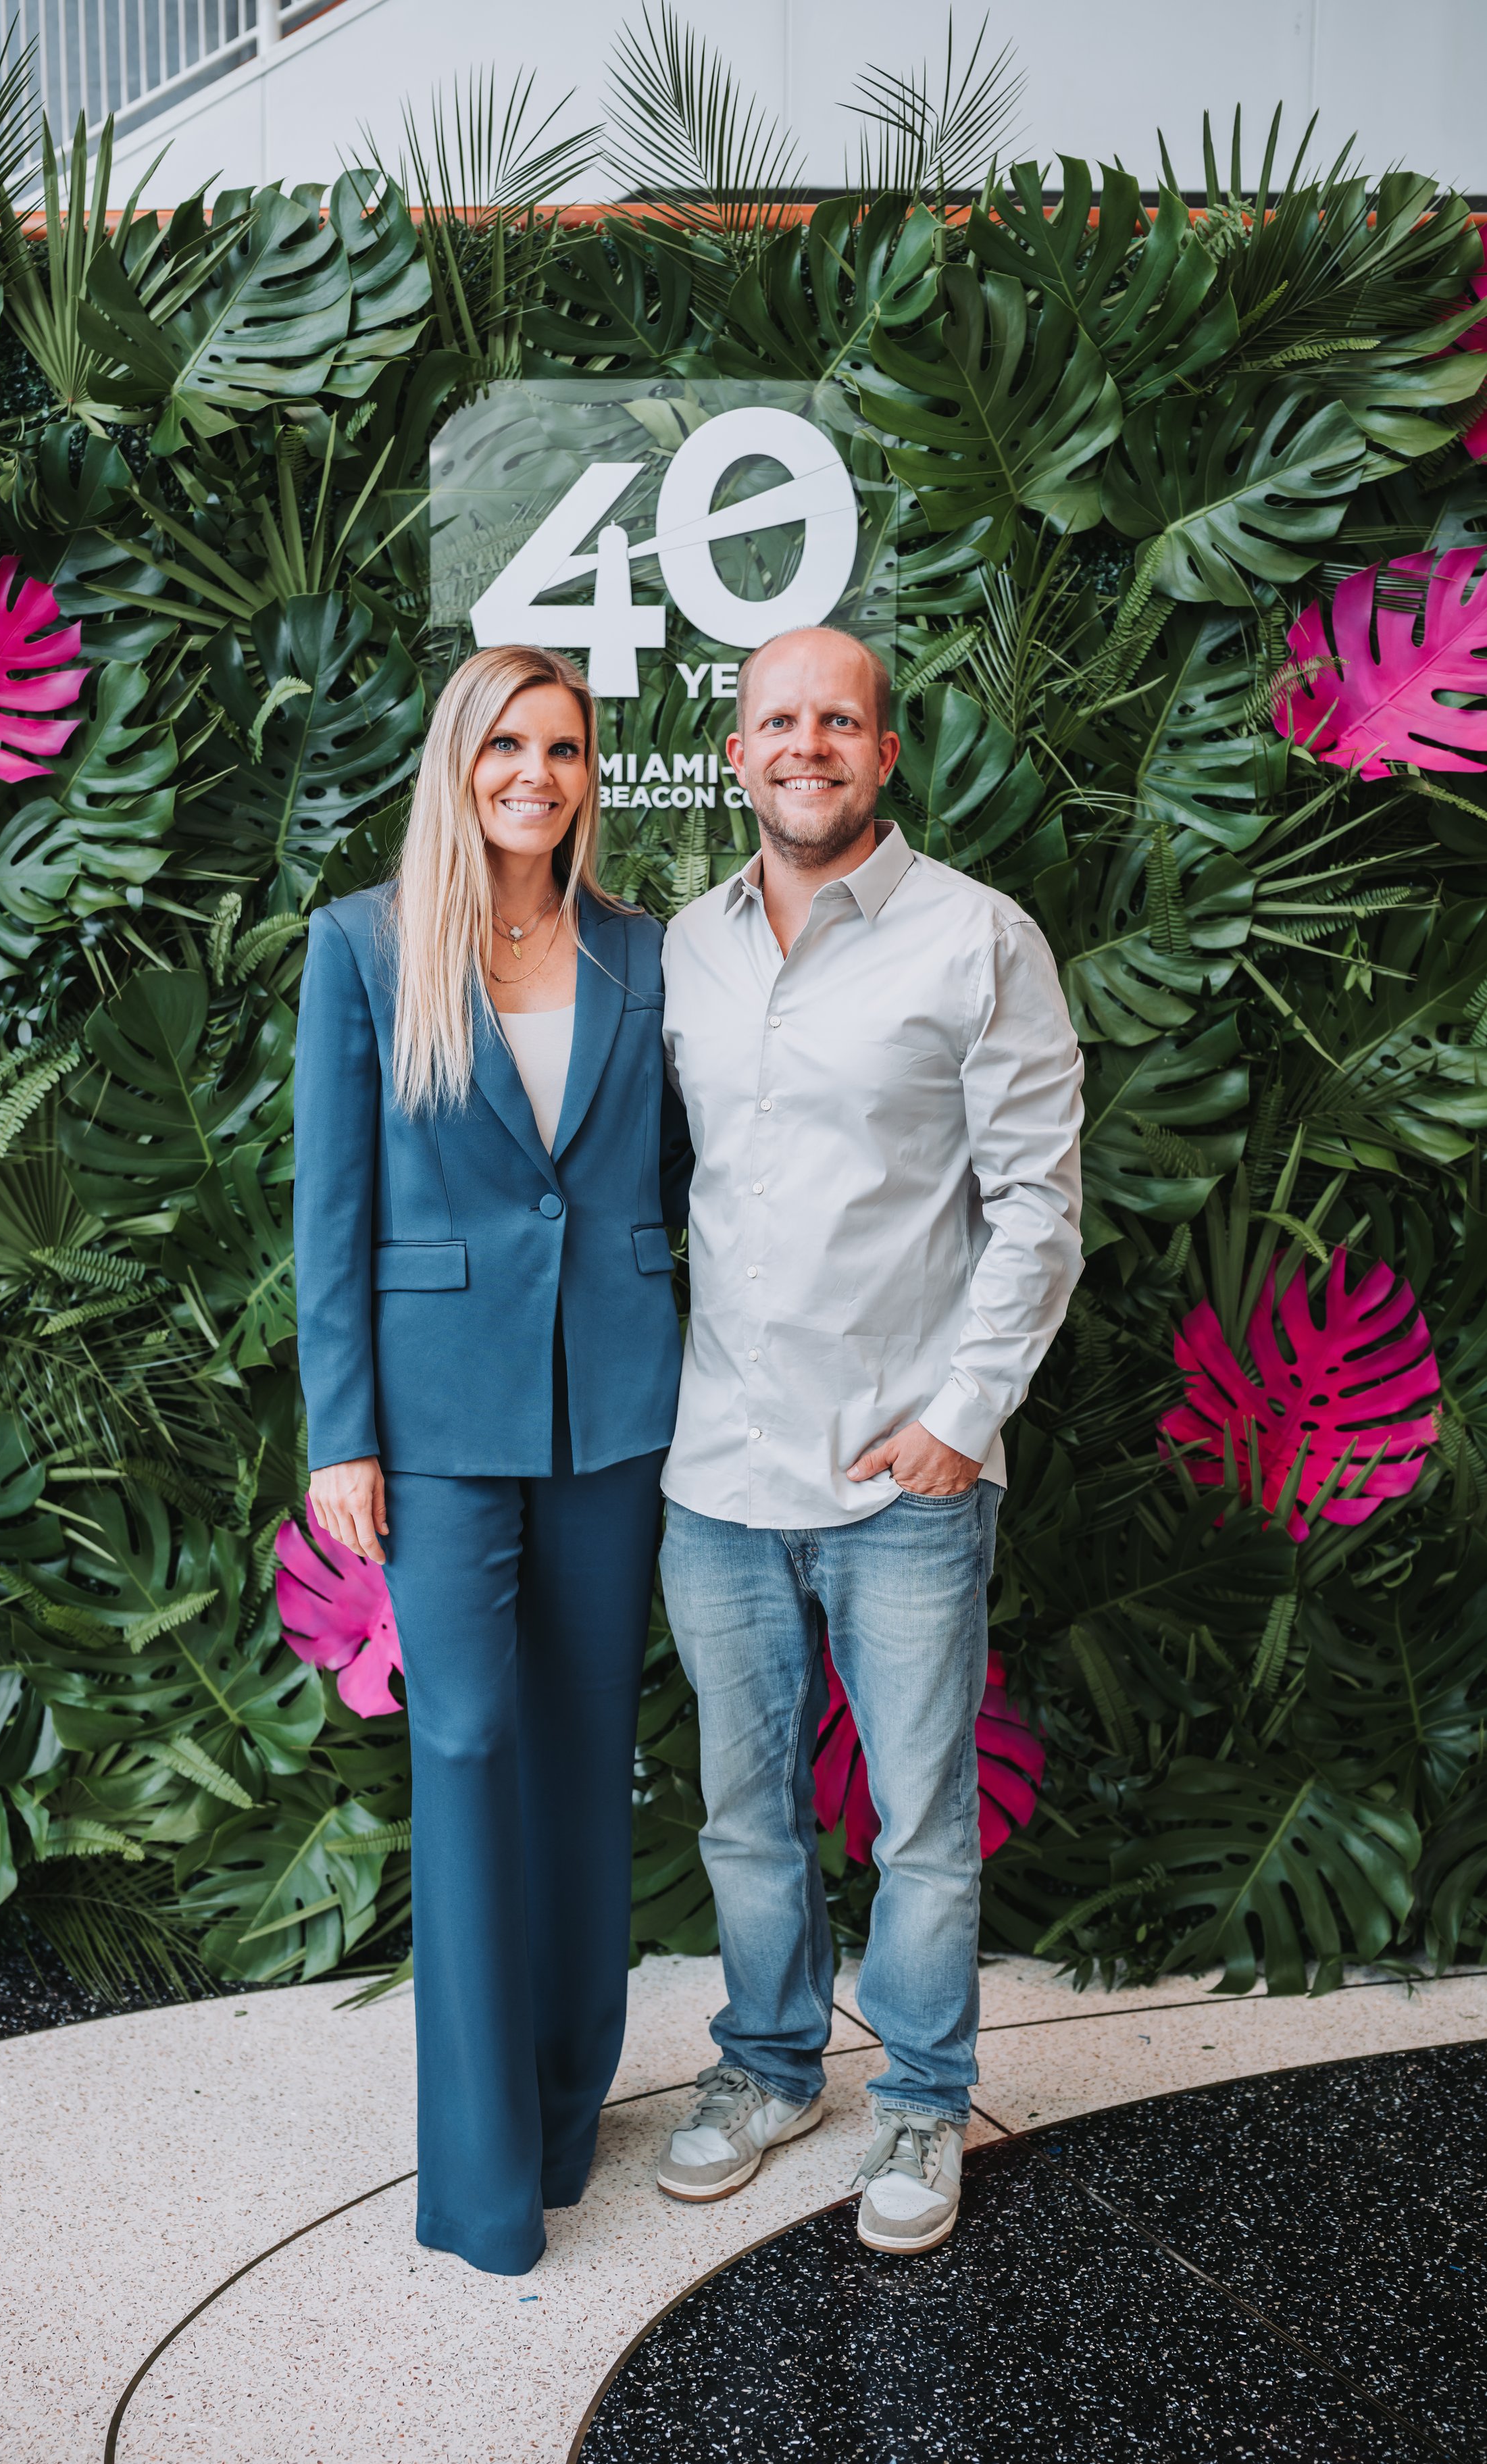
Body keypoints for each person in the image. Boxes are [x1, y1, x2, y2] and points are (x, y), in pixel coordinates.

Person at [654, 624, 1083, 2255]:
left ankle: (915, 2096)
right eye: (778, 719)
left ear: (883, 754)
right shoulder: (680, 948)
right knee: (740, 1811)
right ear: (737, 750)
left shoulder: (976, 940)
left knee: (919, 1821)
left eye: (840, 720)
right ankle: (765, 2069)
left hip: (901, 1474)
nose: (806, 743)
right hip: (714, 1473)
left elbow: (1038, 1207)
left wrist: (962, 1419)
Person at [294, 644, 688, 2276]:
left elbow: (673, 1173)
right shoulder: (365, 949)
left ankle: (562, 2110)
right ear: (459, 763)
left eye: (566, 749)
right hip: (438, 1424)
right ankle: (477, 2185)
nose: (537, 773)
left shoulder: (641, 953)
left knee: (582, 1755)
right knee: (460, 1748)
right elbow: (330, 1206)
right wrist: (342, 1434)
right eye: (507, 745)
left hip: (612, 1407)